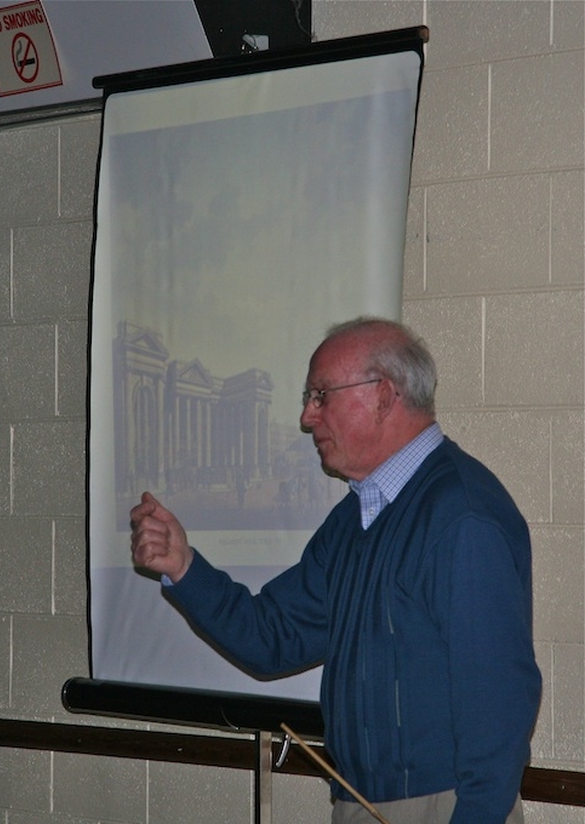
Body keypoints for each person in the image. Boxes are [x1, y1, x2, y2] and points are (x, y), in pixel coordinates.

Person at [131, 317, 541, 824]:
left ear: (383, 395)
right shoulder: (352, 521)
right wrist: (184, 566)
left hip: (448, 809)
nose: (306, 417)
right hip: (358, 805)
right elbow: (272, 638)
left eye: (321, 395)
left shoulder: (461, 515)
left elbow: (497, 713)